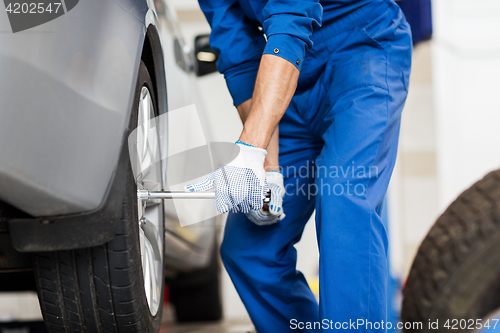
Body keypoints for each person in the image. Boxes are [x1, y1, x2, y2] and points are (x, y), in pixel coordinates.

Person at [186, 0, 412, 331]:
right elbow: (240, 52)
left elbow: (292, 14)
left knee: (343, 196)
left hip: (363, 48)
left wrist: (251, 147)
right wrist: (268, 166)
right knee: (249, 248)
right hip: (288, 70)